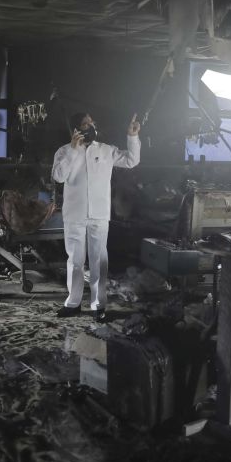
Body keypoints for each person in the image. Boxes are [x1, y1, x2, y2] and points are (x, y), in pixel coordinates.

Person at [51, 112, 141, 322]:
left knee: (99, 260)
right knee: (75, 260)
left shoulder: (106, 150)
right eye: (85, 124)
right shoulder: (64, 151)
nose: (90, 127)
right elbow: (58, 176)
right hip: (75, 214)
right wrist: (73, 150)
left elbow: (131, 160)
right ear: (76, 129)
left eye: (92, 123)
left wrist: (132, 136)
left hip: (99, 214)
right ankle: (72, 303)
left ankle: (98, 305)